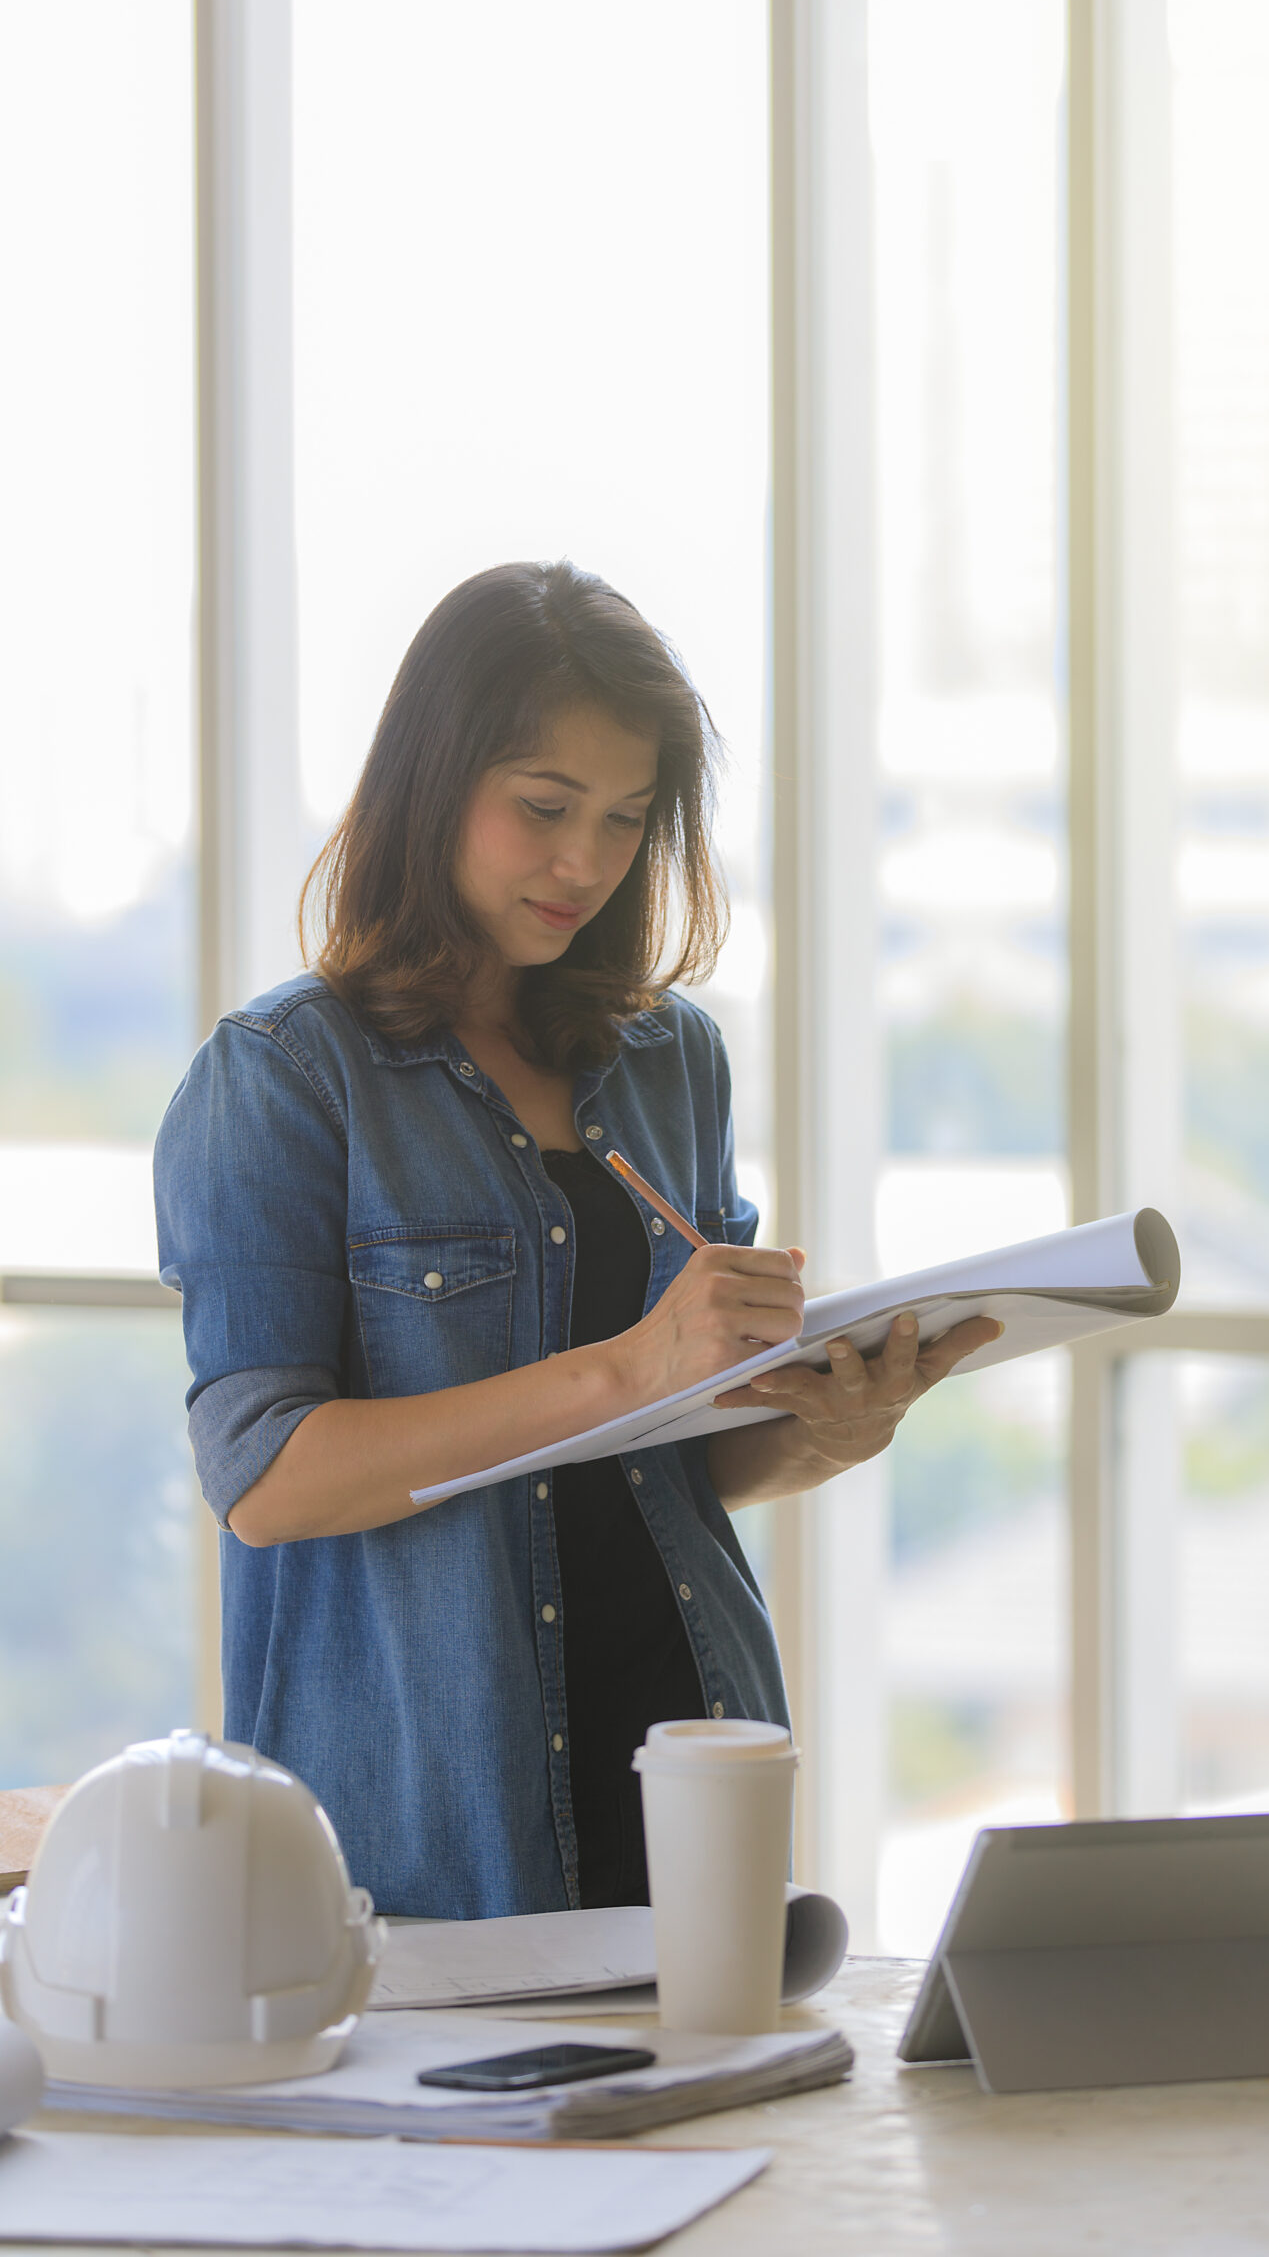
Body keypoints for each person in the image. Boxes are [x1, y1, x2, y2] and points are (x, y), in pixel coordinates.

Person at [155, 562, 996, 1919]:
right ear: (432, 783)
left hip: (692, 1760)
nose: (585, 865)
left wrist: (829, 1427)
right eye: (544, 808)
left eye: (625, 820)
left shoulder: (672, 1061)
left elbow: (685, 1461)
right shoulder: (286, 1078)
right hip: (433, 1818)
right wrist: (628, 1365)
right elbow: (267, 1478)